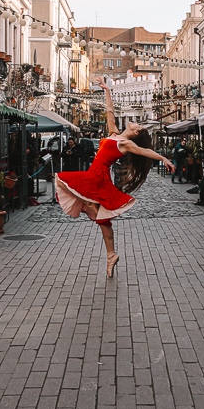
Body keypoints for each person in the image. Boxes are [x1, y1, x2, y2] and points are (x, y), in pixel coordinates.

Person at [55, 76, 175, 278]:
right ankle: (111, 255)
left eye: (138, 125)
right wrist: (106, 90)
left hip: (97, 175)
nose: (135, 122)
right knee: (104, 221)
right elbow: (109, 111)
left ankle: (90, 205)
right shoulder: (114, 133)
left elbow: (145, 152)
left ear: (135, 133)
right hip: (98, 176)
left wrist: (163, 158)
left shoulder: (126, 144)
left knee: (61, 178)